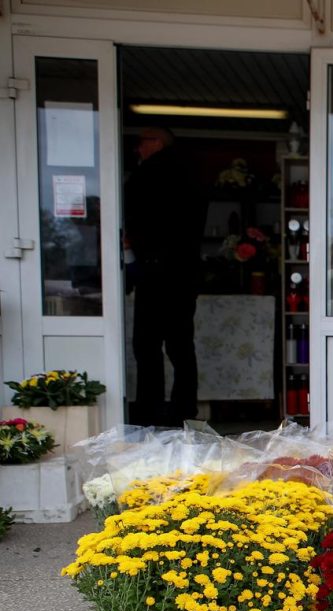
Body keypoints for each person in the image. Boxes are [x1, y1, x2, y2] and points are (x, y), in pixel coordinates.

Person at [124, 128, 206, 426]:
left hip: (156, 272)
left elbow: (139, 220)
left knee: (147, 344)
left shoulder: (149, 174)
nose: (137, 149)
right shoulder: (190, 173)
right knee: (180, 344)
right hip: (183, 273)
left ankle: (150, 409)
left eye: (141, 142)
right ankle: (184, 409)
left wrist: (134, 249)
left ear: (157, 143)